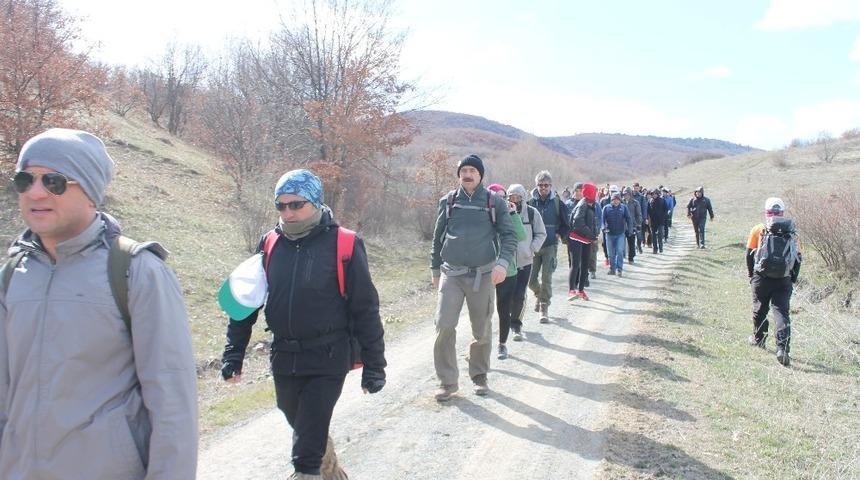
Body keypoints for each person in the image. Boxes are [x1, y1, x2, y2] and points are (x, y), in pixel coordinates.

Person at [0, 128, 198, 479]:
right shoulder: (13, 273)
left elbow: (173, 405)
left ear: (90, 192)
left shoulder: (136, 272)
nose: (34, 192)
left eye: (54, 182)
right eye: (24, 179)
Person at [220, 169, 387, 480]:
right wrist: (233, 355)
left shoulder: (345, 244)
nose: (288, 212)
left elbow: (365, 309)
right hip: (283, 356)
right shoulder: (269, 243)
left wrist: (375, 365)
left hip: (328, 356)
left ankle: (308, 472)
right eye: (280, 206)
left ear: (315, 201)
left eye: (296, 204)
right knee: (303, 423)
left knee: (305, 455)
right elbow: (244, 303)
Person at [431, 155, 517, 401]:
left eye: (472, 170)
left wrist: (502, 264)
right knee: (444, 325)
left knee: (481, 329)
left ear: (480, 175)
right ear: (459, 174)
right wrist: (435, 270)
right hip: (452, 273)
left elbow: (509, 236)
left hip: (483, 274)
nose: (467, 174)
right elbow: (437, 239)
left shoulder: (494, 203)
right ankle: (447, 382)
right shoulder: (448, 202)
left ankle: (479, 375)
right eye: (464, 170)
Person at [745, 197, 801, 367]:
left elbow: (749, 254)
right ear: (782, 213)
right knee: (781, 313)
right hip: (783, 279)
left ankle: (759, 339)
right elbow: (798, 259)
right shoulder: (791, 231)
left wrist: (751, 275)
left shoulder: (759, 229)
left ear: (766, 212)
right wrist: (792, 279)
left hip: (761, 277)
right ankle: (783, 349)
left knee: (760, 308)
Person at [486, 184, 529, 360]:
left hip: (508, 270)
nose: (500, 199)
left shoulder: (510, 215)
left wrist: (512, 214)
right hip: (484, 270)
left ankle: (502, 344)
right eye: (496, 196)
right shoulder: (484, 215)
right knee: (483, 311)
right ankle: (480, 345)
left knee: (503, 309)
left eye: (504, 197)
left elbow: (521, 236)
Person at [527, 170, 569, 324]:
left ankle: (544, 307)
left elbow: (566, 224)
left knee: (546, 278)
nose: (543, 188)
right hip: (533, 247)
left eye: (546, 185)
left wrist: (559, 234)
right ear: (536, 186)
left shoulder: (557, 203)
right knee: (530, 280)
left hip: (550, 245)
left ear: (550, 186)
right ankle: (539, 295)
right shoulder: (530, 203)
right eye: (540, 185)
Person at [506, 183, 546, 343]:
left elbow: (541, 233)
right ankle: (510, 318)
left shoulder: (532, 213)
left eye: (517, 197)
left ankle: (516, 326)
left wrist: (532, 249)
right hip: (507, 263)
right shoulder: (504, 212)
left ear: (523, 198)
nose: (514, 200)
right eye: (511, 197)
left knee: (519, 295)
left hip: (525, 261)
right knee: (507, 296)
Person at [567, 183, 599, 301]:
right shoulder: (583, 204)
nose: (595, 194)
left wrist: (593, 235)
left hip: (586, 239)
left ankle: (581, 291)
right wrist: (591, 234)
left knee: (585, 265)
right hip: (576, 238)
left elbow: (592, 222)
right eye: (594, 192)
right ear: (590, 193)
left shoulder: (592, 205)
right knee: (575, 265)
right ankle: (571, 290)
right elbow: (578, 222)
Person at [602, 192, 635, 277]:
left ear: (620, 200)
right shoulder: (606, 208)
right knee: (611, 253)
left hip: (620, 234)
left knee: (620, 251)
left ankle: (619, 269)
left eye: (617, 200)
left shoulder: (623, 208)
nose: (616, 201)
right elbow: (602, 220)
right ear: (611, 200)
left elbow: (628, 218)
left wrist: (630, 229)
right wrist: (603, 227)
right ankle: (612, 269)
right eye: (614, 200)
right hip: (609, 234)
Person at [623, 187, 643, 264]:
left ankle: (631, 258)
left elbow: (639, 215)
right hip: (622, 226)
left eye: (627, 194)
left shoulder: (635, 203)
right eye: (624, 194)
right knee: (621, 243)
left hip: (632, 226)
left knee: (631, 242)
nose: (626, 196)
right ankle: (622, 256)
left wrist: (638, 224)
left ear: (630, 194)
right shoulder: (621, 202)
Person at [646, 188, 668, 254]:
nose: (654, 195)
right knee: (653, 236)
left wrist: (663, 218)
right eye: (653, 194)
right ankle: (655, 249)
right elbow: (648, 211)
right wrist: (648, 219)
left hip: (660, 221)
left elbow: (665, 210)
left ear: (658, 194)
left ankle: (661, 247)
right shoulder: (650, 201)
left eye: (655, 194)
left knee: (660, 235)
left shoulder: (662, 200)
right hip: (653, 221)